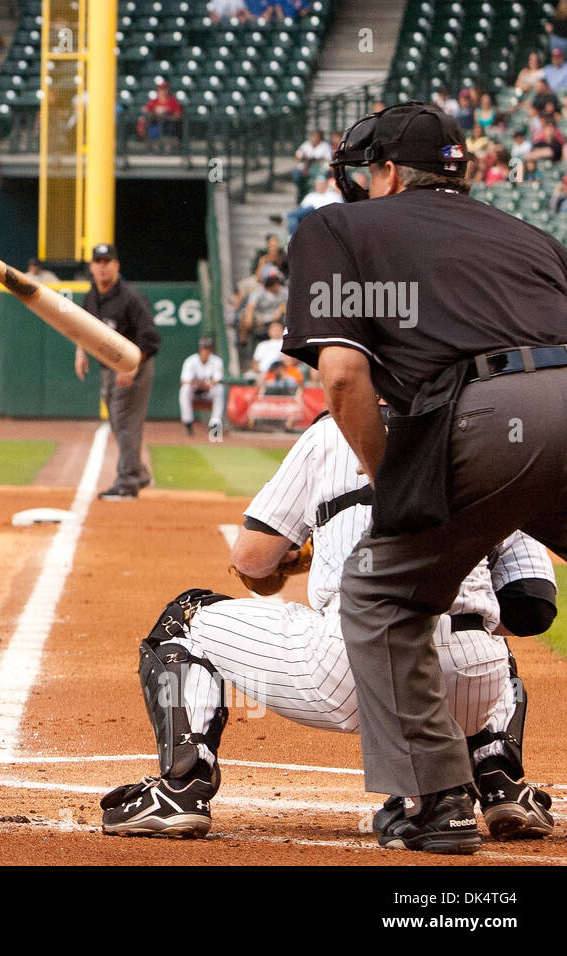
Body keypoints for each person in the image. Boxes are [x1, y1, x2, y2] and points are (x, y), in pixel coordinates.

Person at [282, 100, 567, 853]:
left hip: (486, 416)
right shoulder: (533, 236)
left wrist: (398, 490)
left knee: (380, 595)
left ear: (381, 173)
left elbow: (342, 379)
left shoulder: (334, 227)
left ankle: (435, 802)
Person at [99, 413, 557, 846]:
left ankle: (182, 787)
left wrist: (310, 550)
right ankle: (500, 781)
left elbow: (252, 561)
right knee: (483, 637)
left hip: (352, 670)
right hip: (476, 689)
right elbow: (532, 606)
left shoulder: (331, 432)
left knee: (184, 617)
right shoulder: (486, 435)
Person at [74, 243, 160, 499]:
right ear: (91, 267)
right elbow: (83, 326)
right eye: (98, 262)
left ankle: (128, 481)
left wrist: (132, 365)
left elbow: (151, 338)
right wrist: (81, 351)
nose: (102, 267)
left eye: (107, 262)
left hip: (134, 368)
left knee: (125, 422)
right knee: (117, 421)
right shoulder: (92, 296)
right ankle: (138, 473)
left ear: (116, 266)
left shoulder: (130, 298)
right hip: (107, 368)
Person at [178, 336, 225, 436]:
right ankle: (188, 423)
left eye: (208, 348)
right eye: (204, 348)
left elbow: (218, 379)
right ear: (200, 349)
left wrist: (208, 384)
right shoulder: (190, 361)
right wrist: (196, 384)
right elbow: (184, 381)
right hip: (195, 390)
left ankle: (215, 427)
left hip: (209, 391)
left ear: (211, 350)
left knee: (220, 390)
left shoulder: (217, 361)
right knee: (185, 390)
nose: (206, 351)